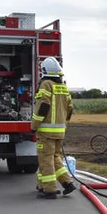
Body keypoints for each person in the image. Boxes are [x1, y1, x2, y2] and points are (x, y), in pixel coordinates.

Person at [31, 57, 76, 199]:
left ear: (44, 71)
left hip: (46, 132)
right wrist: (63, 124)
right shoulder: (63, 87)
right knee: (55, 157)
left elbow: (43, 107)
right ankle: (68, 183)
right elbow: (70, 108)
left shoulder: (46, 84)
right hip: (60, 132)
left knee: (46, 159)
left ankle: (49, 190)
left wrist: (34, 126)